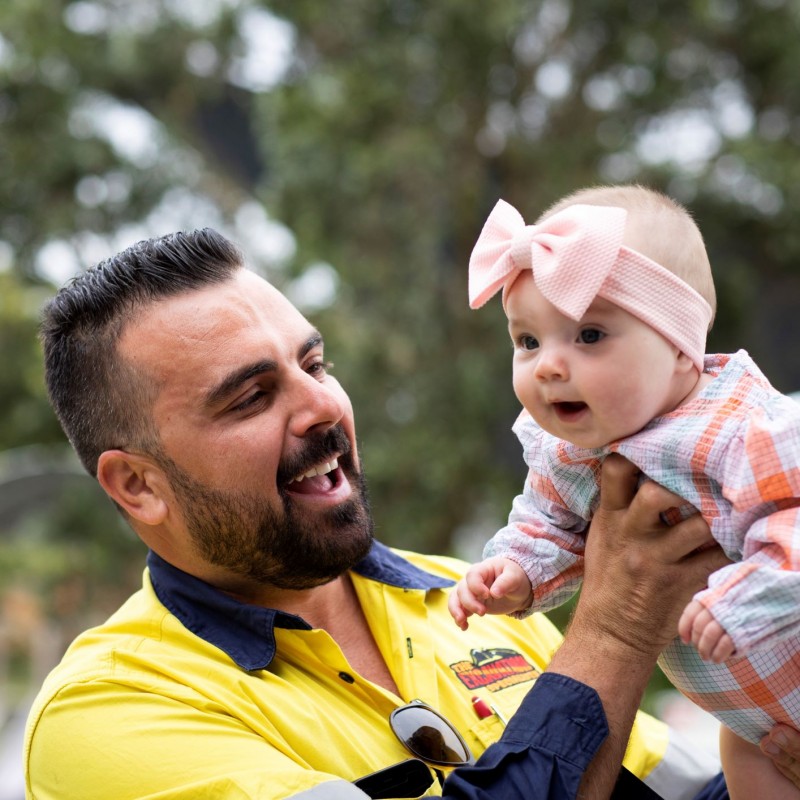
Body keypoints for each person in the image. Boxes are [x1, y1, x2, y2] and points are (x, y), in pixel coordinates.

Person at [21, 228, 795, 800]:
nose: (323, 405)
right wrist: (618, 628)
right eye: (252, 397)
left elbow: (681, 793)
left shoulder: (470, 594)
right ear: (136, 486)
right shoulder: (107, 712)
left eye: (315, 365)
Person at [449, 184, 800, 799]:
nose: (548, 366)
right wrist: (516, 572)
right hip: (756, 727)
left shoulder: (740, 427)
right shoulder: (567, 451)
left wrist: (743, 602)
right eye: (527, 341)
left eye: (588, 336)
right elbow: (549, 524)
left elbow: (791, 522)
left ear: (680, 349)